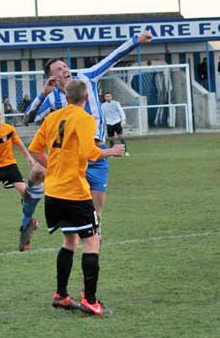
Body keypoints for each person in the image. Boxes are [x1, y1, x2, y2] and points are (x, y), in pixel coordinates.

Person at [21, 31, 152, 249]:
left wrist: (136, 41)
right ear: (52, 77)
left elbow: (112, 58)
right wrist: (43, 94)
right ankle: (26, 218)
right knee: (36, 173)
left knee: (96, 213)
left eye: (64, 66)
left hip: (96, 155)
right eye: (58, 70)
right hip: (69, 158)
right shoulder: (52, 97)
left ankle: (90, 263)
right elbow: (28, 118)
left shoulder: (87, 77)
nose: (64, 70)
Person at [28, 79, 125, 316]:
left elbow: (35, 149)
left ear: (66, 96)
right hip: (75, 192)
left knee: (69, 241)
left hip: (53, 192)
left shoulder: (52, 118)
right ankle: (91, 301)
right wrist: (111, 151)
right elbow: (88, 152)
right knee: (91, 241)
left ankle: (61, 295)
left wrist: (53, 168)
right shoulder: (84, 119)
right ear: (86, 98)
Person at [101, 92, 130, 156]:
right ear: (105, 98)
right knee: (111, 138)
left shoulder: (116, 103)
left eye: (109, 96)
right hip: (109, 123)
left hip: (117, 122)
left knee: (121, 137)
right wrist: (103, 123)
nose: (108, 98)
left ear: (111, 97)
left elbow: (121, 112)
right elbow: (102, 115)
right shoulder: (103, 105)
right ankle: (112, 153)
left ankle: (126, 151)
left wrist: (123, 121)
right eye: (106, 96)